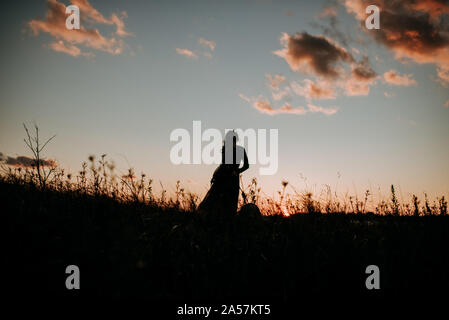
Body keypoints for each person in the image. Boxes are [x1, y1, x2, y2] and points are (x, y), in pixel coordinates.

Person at [198, 131, 249, 216]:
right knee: (217, 200)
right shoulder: (226, 149)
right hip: (222, 177)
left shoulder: (240, 150)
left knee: (231, 201)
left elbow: (246, 165)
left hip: (231, 178)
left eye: (233, 139)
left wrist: (237, 171)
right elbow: (224, 164)